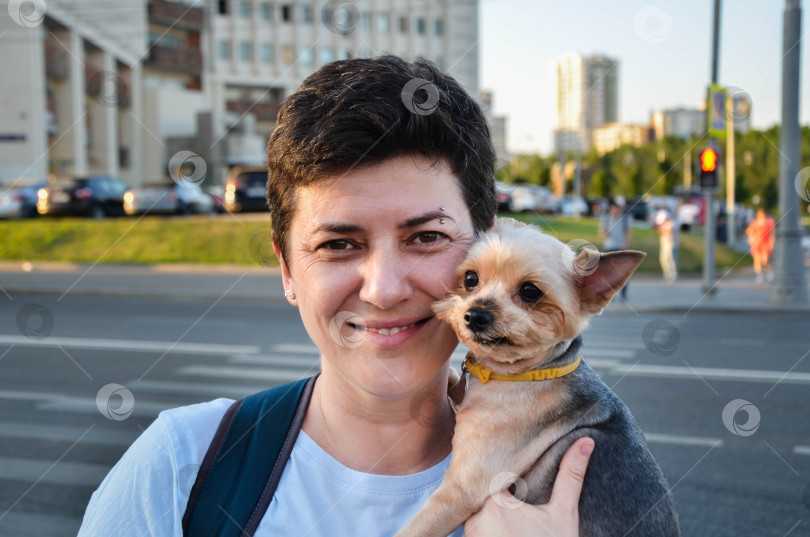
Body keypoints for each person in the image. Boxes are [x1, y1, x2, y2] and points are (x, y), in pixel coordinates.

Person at [77, 56, 593, 537]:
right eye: (338, 244)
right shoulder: (181, 468)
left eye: (426, 237)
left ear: (489, 247)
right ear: (287, 270)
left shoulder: (575, 482)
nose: (385, 289)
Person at [599, 196, 632, 299]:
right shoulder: (606, 218)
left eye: (617, 208)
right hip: (609, 247)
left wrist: (626, 244)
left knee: (622, 272)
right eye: (613, 208)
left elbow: (629, 232)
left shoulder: (625, 218)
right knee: (608, 273)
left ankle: (623, 293)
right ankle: (610, 294)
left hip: (620, 247)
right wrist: (604, 233)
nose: (615, 210)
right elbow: (601, 232)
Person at [746, 208, 775, 282]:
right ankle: (759, 275)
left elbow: (772, 233)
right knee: (757, 260)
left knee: (765, 260)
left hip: (765, 244)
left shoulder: (769, 222)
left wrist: (772, 243)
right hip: (757, 244)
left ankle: (769, 272)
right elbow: (749, 231)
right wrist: (750, 236)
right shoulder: (755, 222)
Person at [654, 207, 678, 284]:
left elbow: (668, 231)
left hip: (669, 243)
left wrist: (660, 228)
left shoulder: (671, 223)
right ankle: (667, 274)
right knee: (663, 259)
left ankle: (672, 276)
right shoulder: (664, 223)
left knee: (670, 260)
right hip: (664, 242)